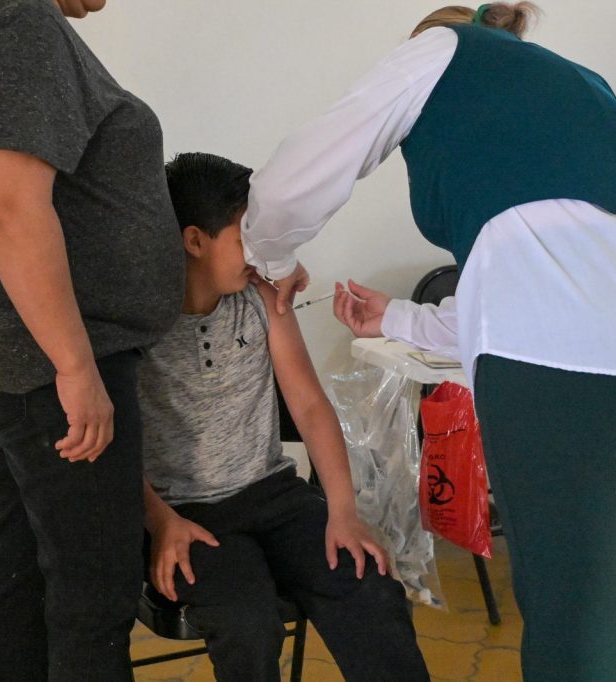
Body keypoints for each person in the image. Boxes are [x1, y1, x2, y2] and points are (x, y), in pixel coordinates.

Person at [240, 3, 616, 680]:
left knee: (577, 608)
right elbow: (560, 276)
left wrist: (269, 258)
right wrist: (398, 318)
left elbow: (287, 187)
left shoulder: (438, 50)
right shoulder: (578, 83)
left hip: (577, 372)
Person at [0, 1, 184, 679]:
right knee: (94, 593)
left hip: (1, 349)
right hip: (43, 368)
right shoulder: (19, 25)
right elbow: (10, 206)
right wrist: (74, 365)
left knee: (28, 566)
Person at [138, 152, 428, 682]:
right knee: (246, 622)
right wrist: (159, 521)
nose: (260, 250)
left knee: (369, 585)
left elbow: (310, 405)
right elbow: (111, 442)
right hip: (185, 514)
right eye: (245, 236)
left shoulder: (261, 299)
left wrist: (343, 510)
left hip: (274, 495)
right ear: (194, 240)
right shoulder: (136, 322)